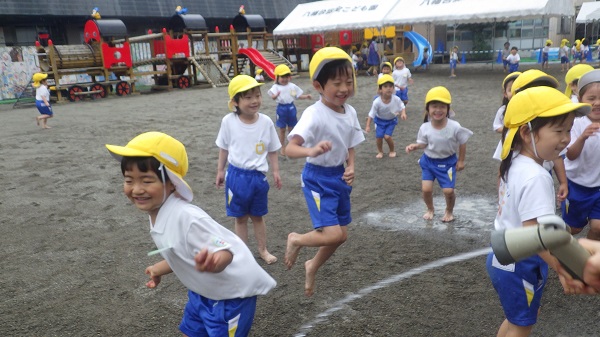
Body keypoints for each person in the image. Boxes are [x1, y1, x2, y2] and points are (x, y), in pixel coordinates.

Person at [105, 131, 277, 336]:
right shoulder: (158, 212)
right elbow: (181, 250)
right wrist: (159, 268)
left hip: (229, 296)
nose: (137, 189)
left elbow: (226, 250)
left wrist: (214, 261)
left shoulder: (187, 218)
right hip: (201, 292)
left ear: (170, 182)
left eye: (146, 180)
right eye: (129, 180)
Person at [487, 86, 591, 336]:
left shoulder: (513, 160)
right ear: (526, 132)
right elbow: (536, 232)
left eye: (568, 130)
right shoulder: (536, 176)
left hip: (503, 258)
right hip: (520, 262)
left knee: (517, 320)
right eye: (559, 130)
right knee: (522, 326)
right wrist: (563, 268)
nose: (566, 138)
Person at [283, 47, 365, 297]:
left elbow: (350, 143)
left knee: (341, 236)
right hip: (317, 179)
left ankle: (312, 265)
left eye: (348, 81)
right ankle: (296, 239)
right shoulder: (314, 114)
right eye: (337, 83)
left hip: (338, 176)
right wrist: (310, 151)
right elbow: (289, 149)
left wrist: (351, 166)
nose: (344, 88)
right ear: (318, 85)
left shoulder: (349, 111)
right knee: (332, 233)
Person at [216, 75, 282, 264]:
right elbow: (224, 148)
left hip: (258, 178)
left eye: (257, 95)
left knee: (258, 216)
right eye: (247, 97)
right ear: (235, 102)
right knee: (240, 218)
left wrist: (276, 171)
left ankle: (263, 250)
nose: (254, 101)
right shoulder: (228, 121)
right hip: (236, 177)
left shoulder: (266, 122)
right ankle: (243, 253)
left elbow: (272, 149)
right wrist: (220, 170)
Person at [405, 86, 472, 222]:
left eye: (442, 106)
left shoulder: (454, 126)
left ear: (448, 109)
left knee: (448, 191)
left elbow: (463, 141)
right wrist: (416, 146)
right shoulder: (425, 127)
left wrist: (461, 161)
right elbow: (424, 143)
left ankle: (449, 210)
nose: (438, 110)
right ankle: (430, 209)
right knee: (426, 189)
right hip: (428, 162)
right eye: (434, 106)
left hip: (447, 163)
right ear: (428, 109)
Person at [562, 70, 600, 241]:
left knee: (598, 227)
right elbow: (570, 155)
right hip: (577, 185)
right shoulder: (577, 122)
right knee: (574, 228)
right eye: (591, 99)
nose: (597, 103)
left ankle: (588, 257)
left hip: (598, 187)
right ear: (580, 100)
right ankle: (555, 247)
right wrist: (583, 137)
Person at [268, 64, 312, 157]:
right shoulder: (276, 87)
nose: (284, 79)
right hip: (281, 108)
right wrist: (275, 96)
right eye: (282, 77)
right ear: (277, 77)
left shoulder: (292, 86)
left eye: (286, 76)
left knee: (292, 128)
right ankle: (282, 146)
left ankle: (291, 145)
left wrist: (306, 96)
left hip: (291, 107)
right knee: (282, 129)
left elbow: (297, 96)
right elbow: (272, 96)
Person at [365, 74, 406, 159]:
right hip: (379, 121)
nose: (388, 88)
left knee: (387, 136)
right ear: (380, 89)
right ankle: (380, 151)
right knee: (379, 137)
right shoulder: (377, 102)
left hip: (391, 121)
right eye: (385, 86)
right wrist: (368, 125)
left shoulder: (396, 99)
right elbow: (371, 114)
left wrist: (403, 113)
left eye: (391, 86)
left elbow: (402, 106)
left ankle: (392, 150)